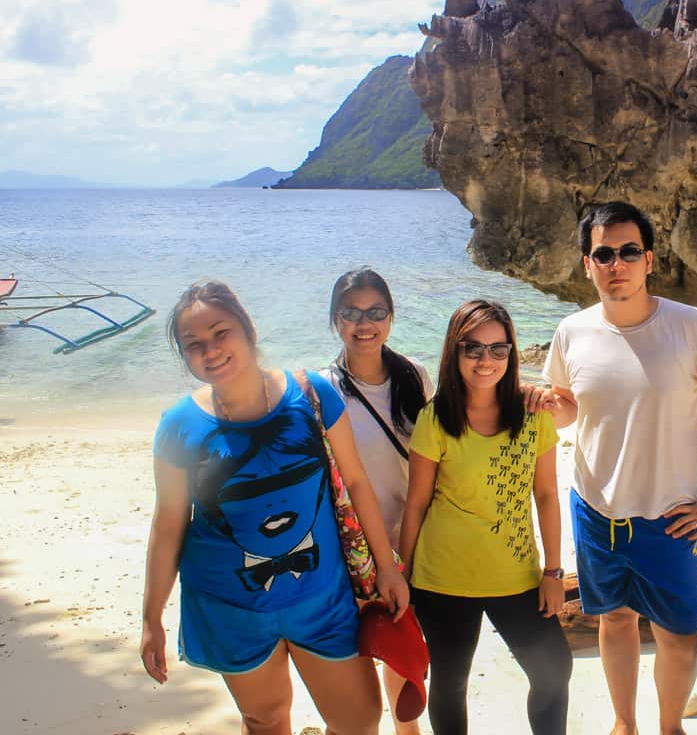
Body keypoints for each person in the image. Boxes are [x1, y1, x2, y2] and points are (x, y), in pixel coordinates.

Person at [141, 281, 409, 735]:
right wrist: (151, 619)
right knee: (265, 719)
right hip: (229, 605)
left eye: (220, 332)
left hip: (322, 597)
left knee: (359, 718)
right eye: (194, 344)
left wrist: (387, 567)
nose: (210, 350)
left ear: (248, 329)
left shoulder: (311, 395)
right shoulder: (178, 426)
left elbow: (358, 484)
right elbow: (169, 526)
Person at [540, 202, 697, 735]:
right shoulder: (571, 332)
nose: (617, 263)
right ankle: (624, 724)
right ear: (587, 264)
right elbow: (569, 407)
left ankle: (669, 727)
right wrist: (550, 408)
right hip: (595, 511)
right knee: (614, 620)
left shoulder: (691, 327)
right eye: (604, 253)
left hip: (670, 518)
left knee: (678, 633)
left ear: (649, 260)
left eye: (629, 251)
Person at [396, 299, 572, 735]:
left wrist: (553, 571)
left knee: (554, 670)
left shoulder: (532, 417)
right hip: (442, 578)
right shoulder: (435, 418)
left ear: (511, 353)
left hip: (517, 576)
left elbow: (547, 495)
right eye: (472, 348)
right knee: (450, 684)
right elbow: (416, 503)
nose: (485, 360)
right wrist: (404, 574)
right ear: (453, 352)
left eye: (498, 349)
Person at [321, 268, 434, 735]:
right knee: (362, 655)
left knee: (405, 647)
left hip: (414, 537)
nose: (363, 324)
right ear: (334, 320)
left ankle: (407, 730)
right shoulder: (322, 390)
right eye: (349, 313)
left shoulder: (415, 375)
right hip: (354, 548)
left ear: (391, 316)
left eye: (375, 312)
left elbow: (438, 458)